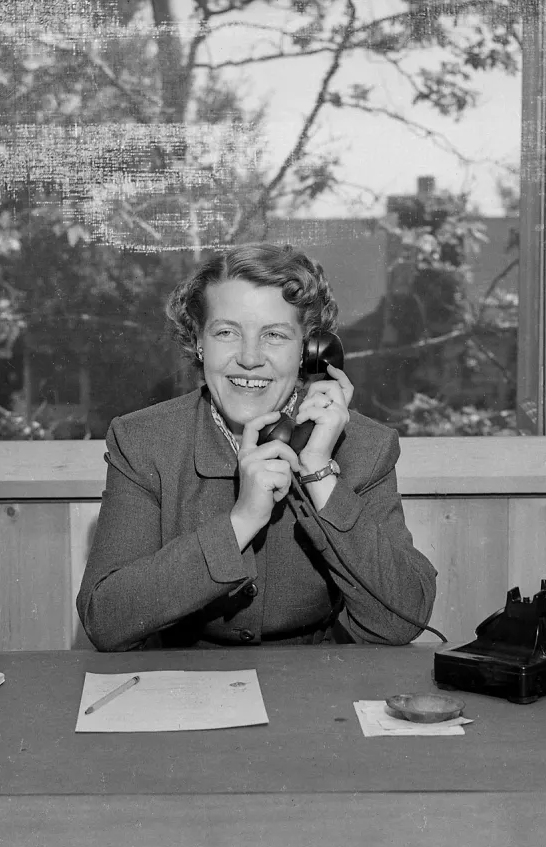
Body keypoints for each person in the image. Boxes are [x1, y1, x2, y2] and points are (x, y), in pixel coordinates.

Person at [76, 242, 437, 651]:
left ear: (310, 350)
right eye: (226, 332)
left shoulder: (365, 446)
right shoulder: (143, 441)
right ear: (198, 341)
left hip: (311, 689)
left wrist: (319, 472)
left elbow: (400, 620)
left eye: (275, 336)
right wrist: (240, 522)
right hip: (184, 690)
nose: (249, 358)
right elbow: (105, 619)